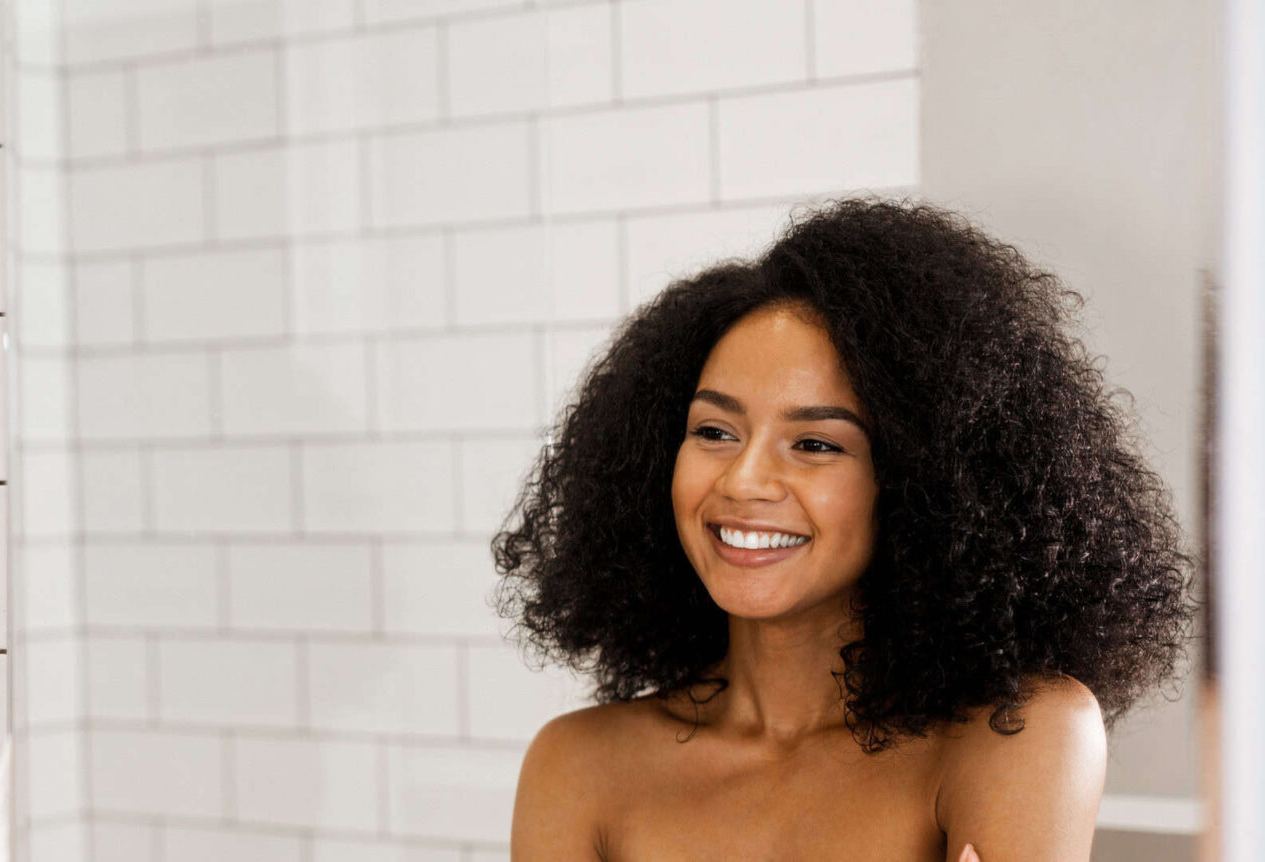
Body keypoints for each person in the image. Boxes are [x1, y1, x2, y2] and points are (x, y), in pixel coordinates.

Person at [492, 197, 1197, 861]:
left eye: (815, 444)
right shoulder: (579, 768)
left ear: (920, 481)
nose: (742, 481)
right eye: (714, 431)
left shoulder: (1016, 735)